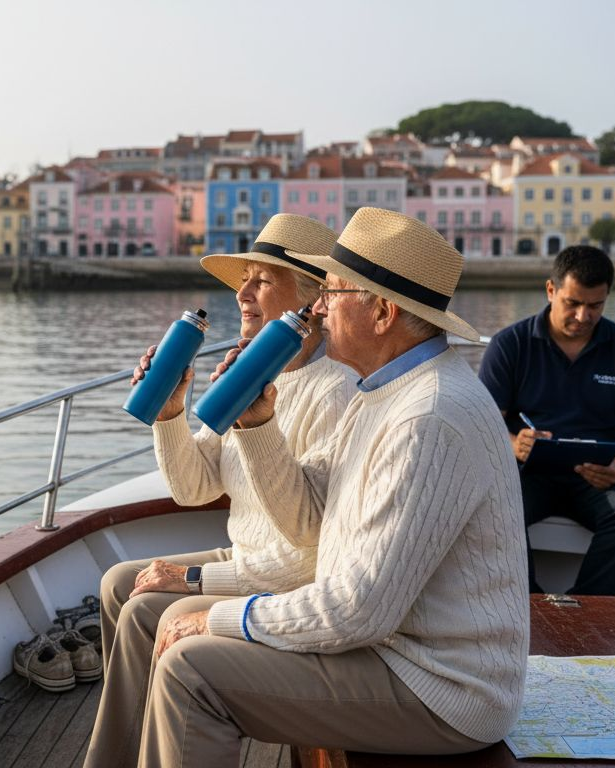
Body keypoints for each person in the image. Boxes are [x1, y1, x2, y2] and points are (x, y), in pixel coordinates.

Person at [134, 208, 529, 767]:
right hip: (391, 651)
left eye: (333, 292)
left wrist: (215, 617)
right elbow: (310, 520)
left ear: (383, 312)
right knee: (182, 643)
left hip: (442, 687)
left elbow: (358, 609)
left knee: (189, 667)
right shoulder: (383, 392)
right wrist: (256, 424)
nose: (318, 308)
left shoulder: (427, 418)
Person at [84, 214, 357, 768]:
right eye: (243, 280)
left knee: (144, 609)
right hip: (249, 559)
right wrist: (170, 412)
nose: (242, 293)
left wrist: (191, 579)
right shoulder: (255, 374)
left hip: (291, 580)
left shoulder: (335, 392)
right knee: (117, 582)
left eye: (262, 280)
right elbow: (194, 489)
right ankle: (132, 747)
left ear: (311, 302)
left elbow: (311, 553)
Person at [478, 246, 615, 595]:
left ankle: (587, 607)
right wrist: (515, 444)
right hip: (526, 473)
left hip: (598, 477)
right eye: (572, 303)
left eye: (595, 306)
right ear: (551, 290)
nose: (583, 315)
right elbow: (483, 426)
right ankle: (527, 603)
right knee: (490, 506)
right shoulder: (509, 345)